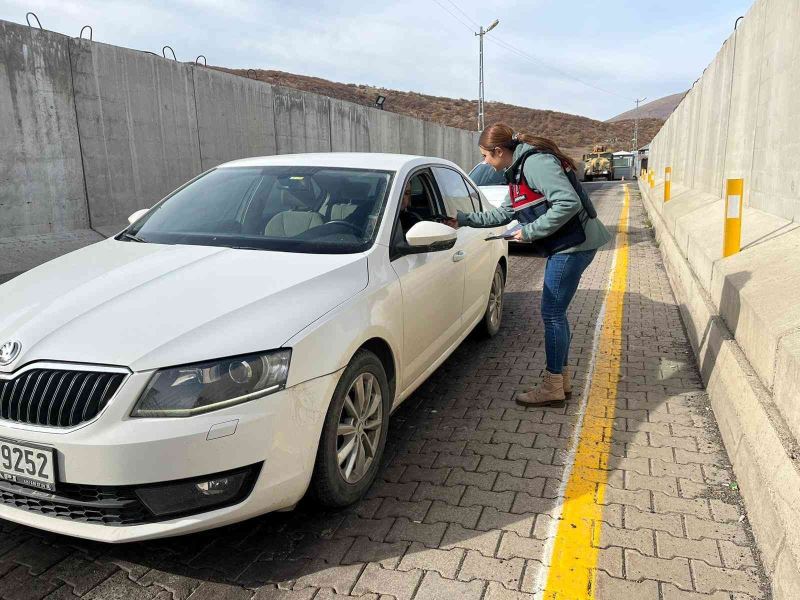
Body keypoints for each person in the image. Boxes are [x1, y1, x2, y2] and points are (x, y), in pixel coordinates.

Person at [445, 123, 612, 407]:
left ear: (499, 151)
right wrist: (463, 219)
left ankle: (553, 386)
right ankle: (561, 381)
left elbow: (568, 202)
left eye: (486, 156)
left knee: (552, 314)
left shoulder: (535, 164)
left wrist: (530, 231)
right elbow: (504, 213)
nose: (485, 162)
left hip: (574, 246)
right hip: (568, 245)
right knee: (556, 314)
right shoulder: (518, 170)